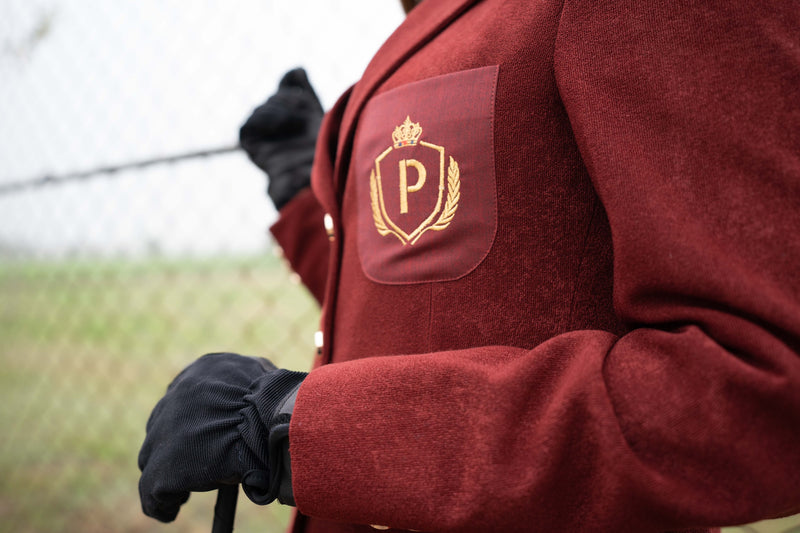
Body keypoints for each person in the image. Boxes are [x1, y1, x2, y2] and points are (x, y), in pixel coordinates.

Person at [138, 1, 800, 532]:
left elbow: (758, 388)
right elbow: (431, 308)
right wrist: (305, 195)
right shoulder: (430, 26)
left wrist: (297, 427)